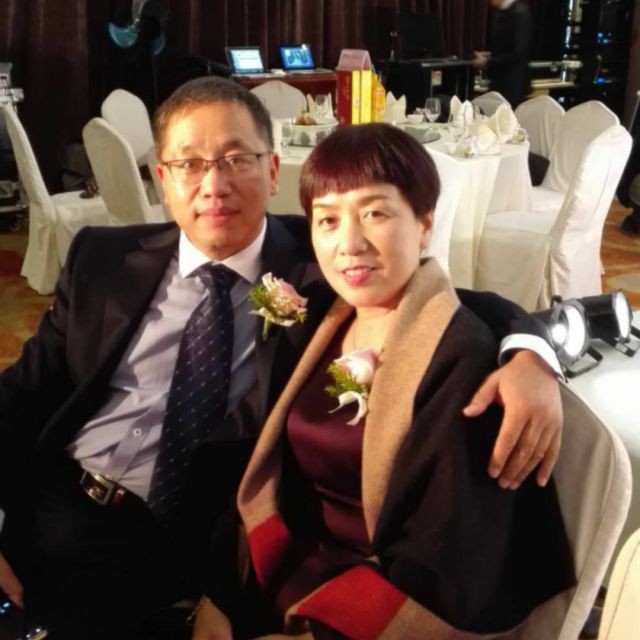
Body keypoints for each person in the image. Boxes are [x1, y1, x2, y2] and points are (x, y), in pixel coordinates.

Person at [0, 78, 559, 639]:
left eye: (236, 159)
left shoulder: (321, 263)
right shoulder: (103, 259)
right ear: (163, 181)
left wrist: (530, 352)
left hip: (190, 539)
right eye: (189, 165)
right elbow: (21, 392)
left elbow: (446, 298)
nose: (214, 185)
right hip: (52, 502)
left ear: (272, 171)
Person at [193, 124, 575, 639]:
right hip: (283, 570)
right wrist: (219, 594)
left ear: (424, 224)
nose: (349, 244)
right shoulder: (322, 313)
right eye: (328, 219)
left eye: (375, 213)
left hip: (366, 607)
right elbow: (262, 464)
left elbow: (446, 562)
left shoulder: (461, 361)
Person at [473, 0, 532, 108]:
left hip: (512, 85)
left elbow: (518, 53)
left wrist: (487, 62)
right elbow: (504, 48)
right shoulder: (504, 12)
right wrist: (487, 55)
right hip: (500, 83)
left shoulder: (519, 13)